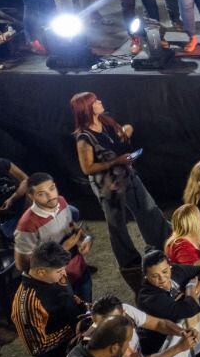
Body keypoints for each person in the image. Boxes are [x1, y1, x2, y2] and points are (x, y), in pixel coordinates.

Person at [70, 92, 166, 271]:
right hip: (107, 185)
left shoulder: (105, 122)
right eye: (96, 101)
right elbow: (87, 168)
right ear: (88, 108)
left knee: (148, 209)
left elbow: (121, 133)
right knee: (117, 224)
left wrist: (126, 131)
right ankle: (129, 262)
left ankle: (162, 244)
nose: (100, 102)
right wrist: (116, 161)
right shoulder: (84, 138)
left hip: (126, 175)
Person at [10, 242, 85, 357]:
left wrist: (81, 306)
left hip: (76, 349)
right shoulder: (28, 304)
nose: (64, 273)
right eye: (59, 271)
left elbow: (68, 296)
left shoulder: (55, 275)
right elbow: (37, 347)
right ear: (41, 272)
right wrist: (74, 328)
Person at [12, 174, 91, 301]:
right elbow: (23, 265)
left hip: (79, 267)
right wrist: (62, 249)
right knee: (73, 315)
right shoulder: (26, 225)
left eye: (52, 188)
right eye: (42, 193)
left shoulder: (61, 201)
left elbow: (72, 228)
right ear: (31, 196)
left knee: (88, 305)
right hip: (57, 282)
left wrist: (85, 239)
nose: (51, 196)